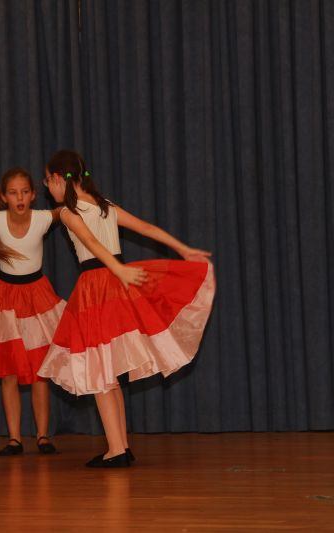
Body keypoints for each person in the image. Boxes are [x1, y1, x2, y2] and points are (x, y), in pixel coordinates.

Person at [37, 149, 215, 468]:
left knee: (100, 372)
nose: (46, 187)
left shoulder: (67, 212)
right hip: (115, 285)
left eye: (47, 180)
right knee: (109, 372)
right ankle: (120, 446)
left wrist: (119, 269)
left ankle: (117, 450)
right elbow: (146, 228)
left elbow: (91, 243)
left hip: (98, 287)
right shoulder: (104, 205)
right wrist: (182, 248)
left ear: (58, 178)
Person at [0, 167, 65, 456]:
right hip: (6, 297)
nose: (20, 198)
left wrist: (69, 192)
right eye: (13, 193)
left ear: (34, 194)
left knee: (39, 370)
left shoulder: (42, 218)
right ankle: (14, 438)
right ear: (4, 197)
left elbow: (66, 211)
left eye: (25, 192)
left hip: (37, 295)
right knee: (9, 371)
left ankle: (42, 435)